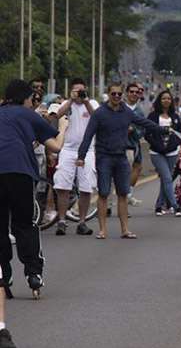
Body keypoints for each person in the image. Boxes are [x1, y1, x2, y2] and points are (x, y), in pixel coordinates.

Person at [0, 79, 69, 298]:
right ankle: (33, 273)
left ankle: (4, 275)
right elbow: (56, 146)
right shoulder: (28, 114)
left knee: (0, 226)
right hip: (19, 174)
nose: (33, 102)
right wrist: (64, 126)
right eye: (32, 98)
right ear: (25, 98)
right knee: (25, 224)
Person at [77, 83, 161, 239]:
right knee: (103, 193)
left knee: (123, 193)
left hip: (121, 157)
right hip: (104, 157)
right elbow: (88, 135)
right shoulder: (99, 113)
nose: (116, 97)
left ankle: (125, 230)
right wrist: (81, 157)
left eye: (119, 94)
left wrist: (162, 129)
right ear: (108, 94)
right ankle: (102, 230)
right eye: (113, 94)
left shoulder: (126, 112)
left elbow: (143, 122)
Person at [53, 78, 99, 236]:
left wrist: (85, 101)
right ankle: (61, 221)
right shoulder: (67, 104)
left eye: (82, 90)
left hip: (88, 151)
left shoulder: (92, 103)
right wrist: (71, 100)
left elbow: (98, 118)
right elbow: (57, 115)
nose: (79, 93)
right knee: (62, 186)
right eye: (76, 91)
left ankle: (82, 222)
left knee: (86, 188)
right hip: (68, 150)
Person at [145, 90, 181, 217]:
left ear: (171, 101)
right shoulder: (153, 116)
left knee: (165, 180)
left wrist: (174, 145)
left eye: (168, 98)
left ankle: (158, 206)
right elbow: (147, 134)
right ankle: (175, 205)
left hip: (172, 152)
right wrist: (157, 145)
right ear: (159, 100)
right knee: (167, 177)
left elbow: (179, 135)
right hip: (156, 153)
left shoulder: (176, 117)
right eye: (163, 98)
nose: (166, 100)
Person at [125, 82, 145, 207]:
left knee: (134, 169)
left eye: (137, 92)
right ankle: (109, 205)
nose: (134, 94)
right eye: (131, 91)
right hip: (116, 146)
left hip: (131, 146)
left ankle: (128, 197)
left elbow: (142, 131)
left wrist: (133, 130)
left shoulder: (139, 111)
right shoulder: (120, 107)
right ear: (126, 93)